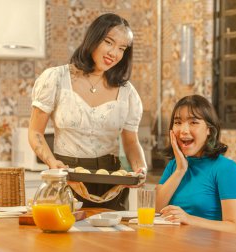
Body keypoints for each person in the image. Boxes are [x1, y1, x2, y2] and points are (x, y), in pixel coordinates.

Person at [28, 13, 147, 210]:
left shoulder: (128, 93)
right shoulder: (55, 79)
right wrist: (51, 163)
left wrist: (140, 168)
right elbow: (35, 132)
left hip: (111, 183)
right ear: (93, 38)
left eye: (121, 49)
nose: (114, 53)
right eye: (109, 42)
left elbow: (131, 141)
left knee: (111, 240)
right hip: (65, 177)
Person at [156, 95, 236, 234]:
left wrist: (189, 219)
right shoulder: (174, 166)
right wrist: (180, 170)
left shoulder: (226, 169)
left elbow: (235, 229)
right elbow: (156, 210)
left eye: (193, 122)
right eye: (178, 122)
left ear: (209, 129)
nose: (184, 130)